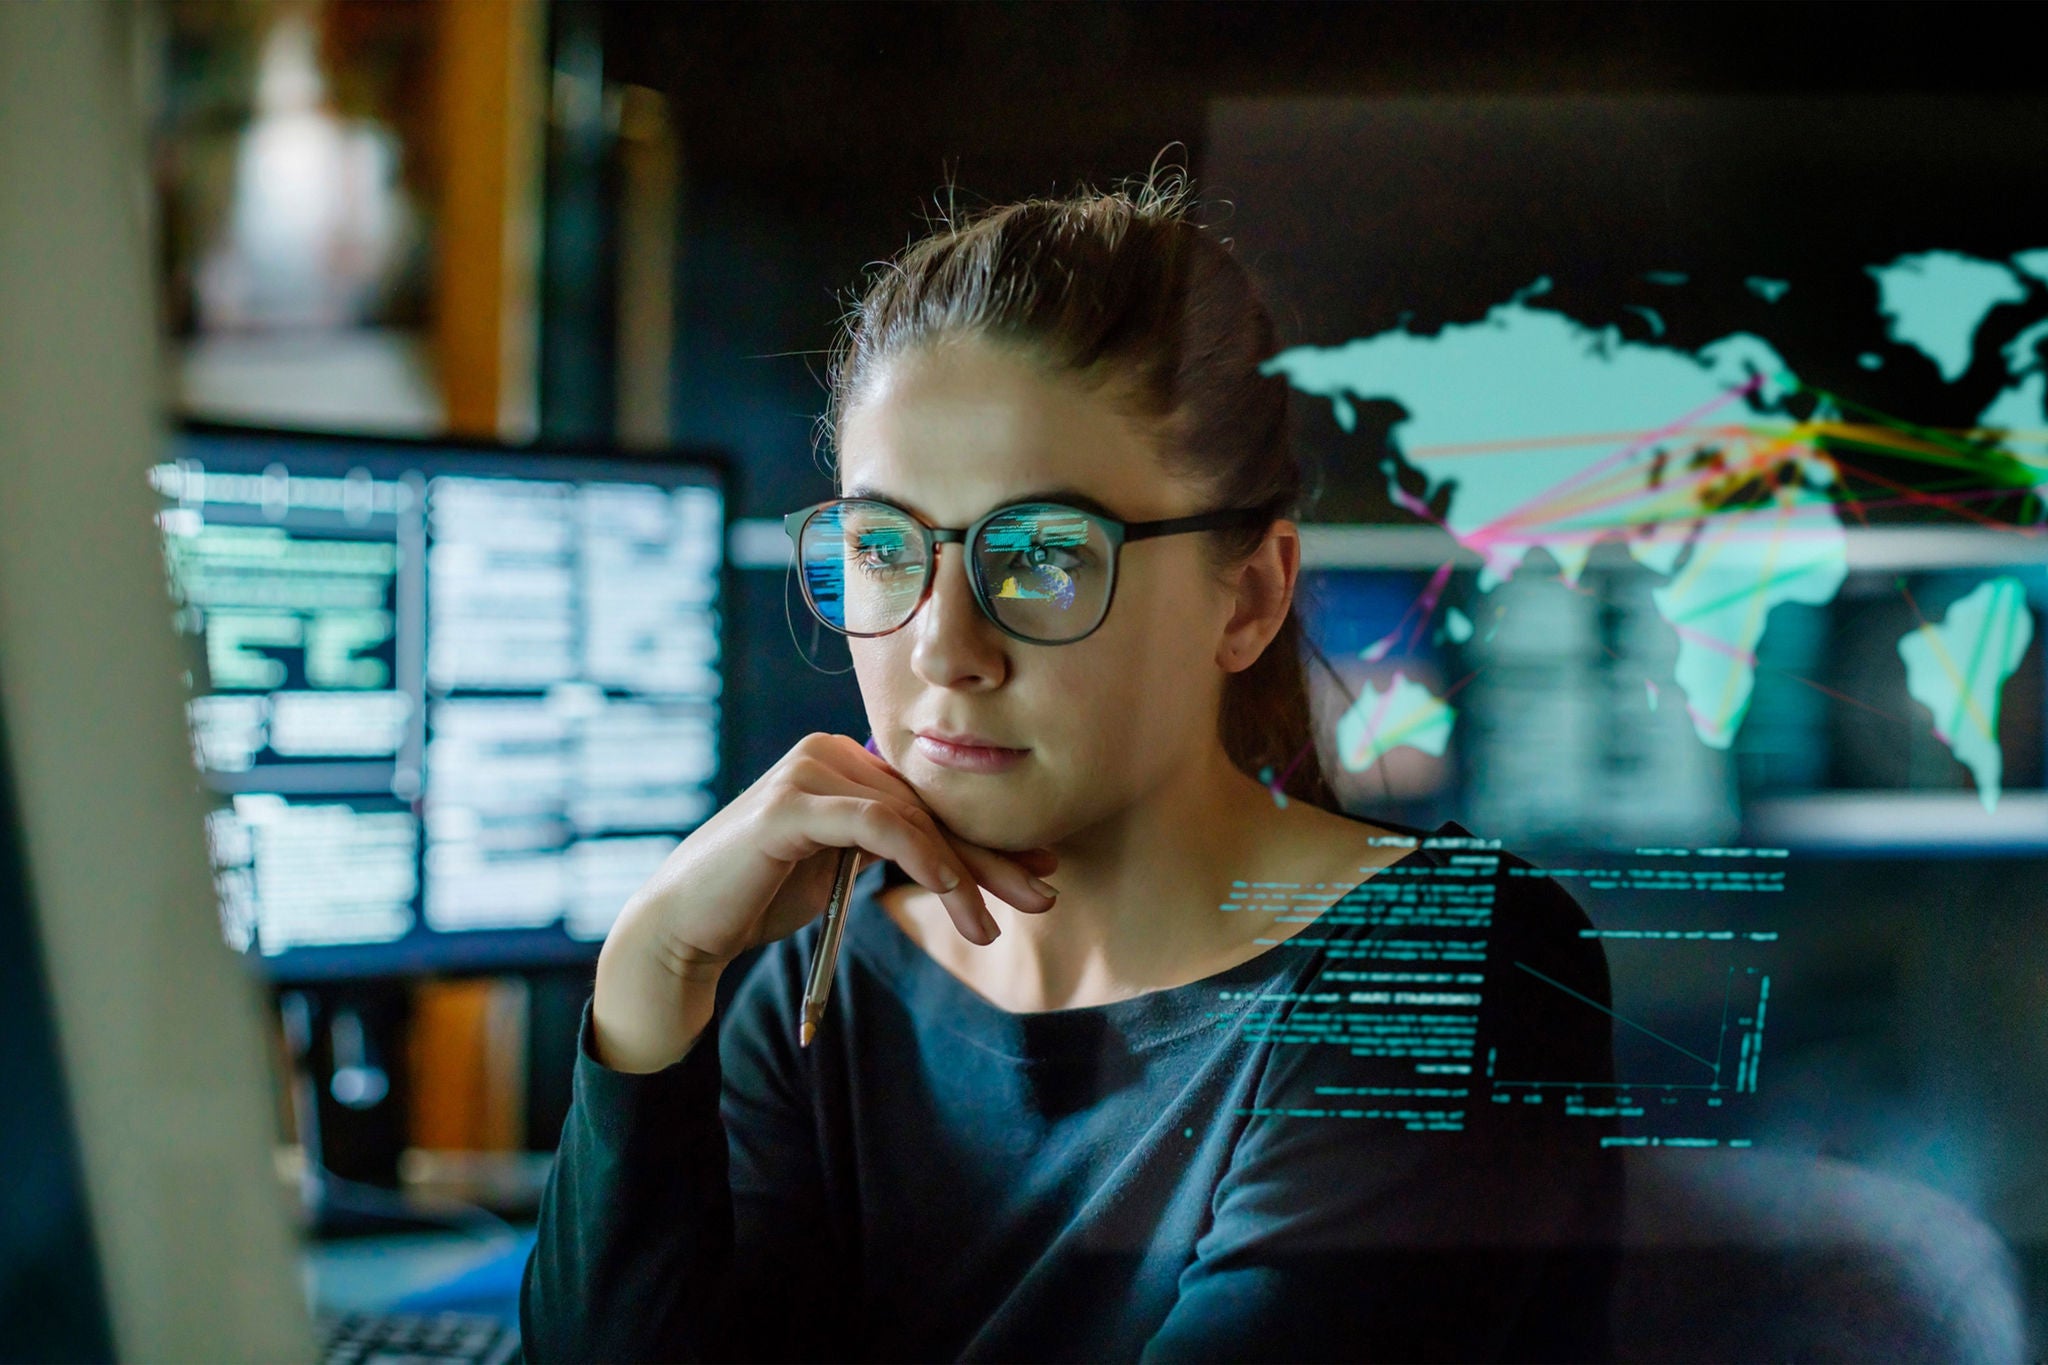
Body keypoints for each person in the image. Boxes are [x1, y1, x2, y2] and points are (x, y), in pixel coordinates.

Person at [519, 168, 1623, 1363]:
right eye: (883, 548)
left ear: (1245, 597)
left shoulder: (1448, 970)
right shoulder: (819, 992)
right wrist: (651, 968)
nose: (943, 647)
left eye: (1044, 557)